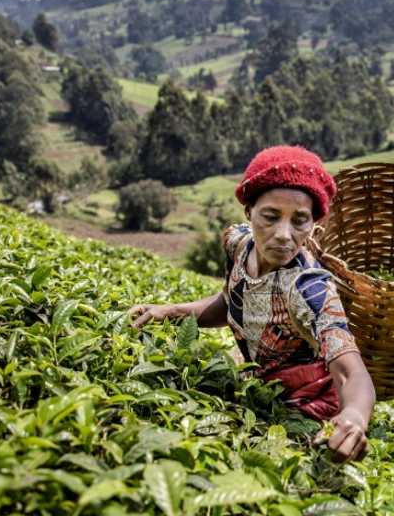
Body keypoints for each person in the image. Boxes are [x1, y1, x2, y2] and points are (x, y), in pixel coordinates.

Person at [129, 145, 375, 462]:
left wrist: (354, 416)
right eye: (270, 217)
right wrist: (170, 312)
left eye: (300, 220)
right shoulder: (238, 243)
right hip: (258, 386)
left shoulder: (310, 289)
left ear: (313, 225)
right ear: (249, 213)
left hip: (308, 409)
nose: (284, 234)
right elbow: (233, 301)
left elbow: (351, 373)